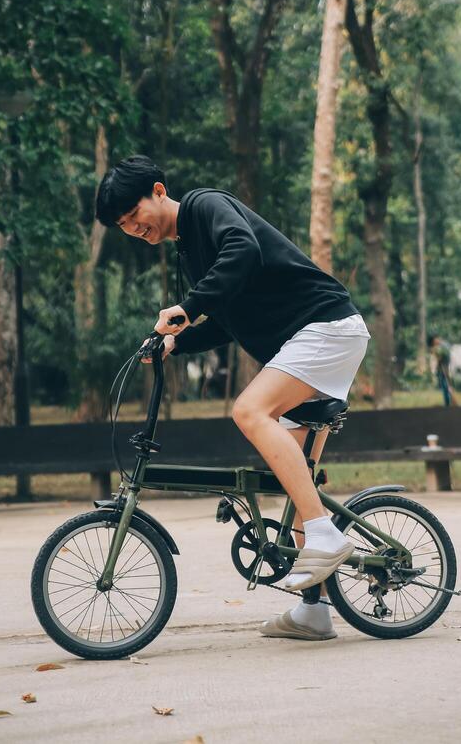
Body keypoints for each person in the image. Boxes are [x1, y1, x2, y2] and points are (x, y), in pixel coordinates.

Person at [95, 155, 371, 641]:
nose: (132, 229)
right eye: (122, 226)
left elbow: (242, 250)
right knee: (294, 477)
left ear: (158, 191)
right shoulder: (191, 252)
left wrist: (187, 306)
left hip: (326, 326)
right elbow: (225, 318)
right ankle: (315, 611)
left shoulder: (205, 206)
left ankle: (326, 534)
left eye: (132, 215)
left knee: (249, 410)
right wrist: (178, 342)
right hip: (312, 338)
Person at [428, 334, 458, 407]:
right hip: (440, 369)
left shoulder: (443, 346)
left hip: (446, 368)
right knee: (444, 386)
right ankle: (447, 403)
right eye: (435, 340)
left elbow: (446, 355)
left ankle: (449, 403)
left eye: (437, 339)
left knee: (447, 385)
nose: (436, 341)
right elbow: (435, 358)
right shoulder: (435, 348)